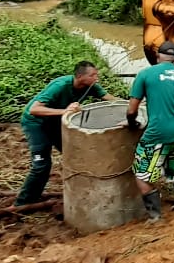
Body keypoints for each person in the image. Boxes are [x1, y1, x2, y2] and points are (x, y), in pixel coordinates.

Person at [14, 61, 120, 207]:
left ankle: (81, 188)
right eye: (93, 75)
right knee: (41, 165)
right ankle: (23, 203)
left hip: (55, 122)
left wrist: (135, 105)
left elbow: (111, 100)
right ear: (80, 76)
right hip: (36, 123)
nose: (97, 78)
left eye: (97, 74)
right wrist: (65, 111)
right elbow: (34, 109)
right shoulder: (60, 86)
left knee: (75, 154)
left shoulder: (91, 87)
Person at [125, 41, 174, 221]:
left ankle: (155, 216)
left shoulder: (146, 74)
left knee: (142, 175)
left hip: (157, 134)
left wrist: (132, 123)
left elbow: (132, 110)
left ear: (157, 56)